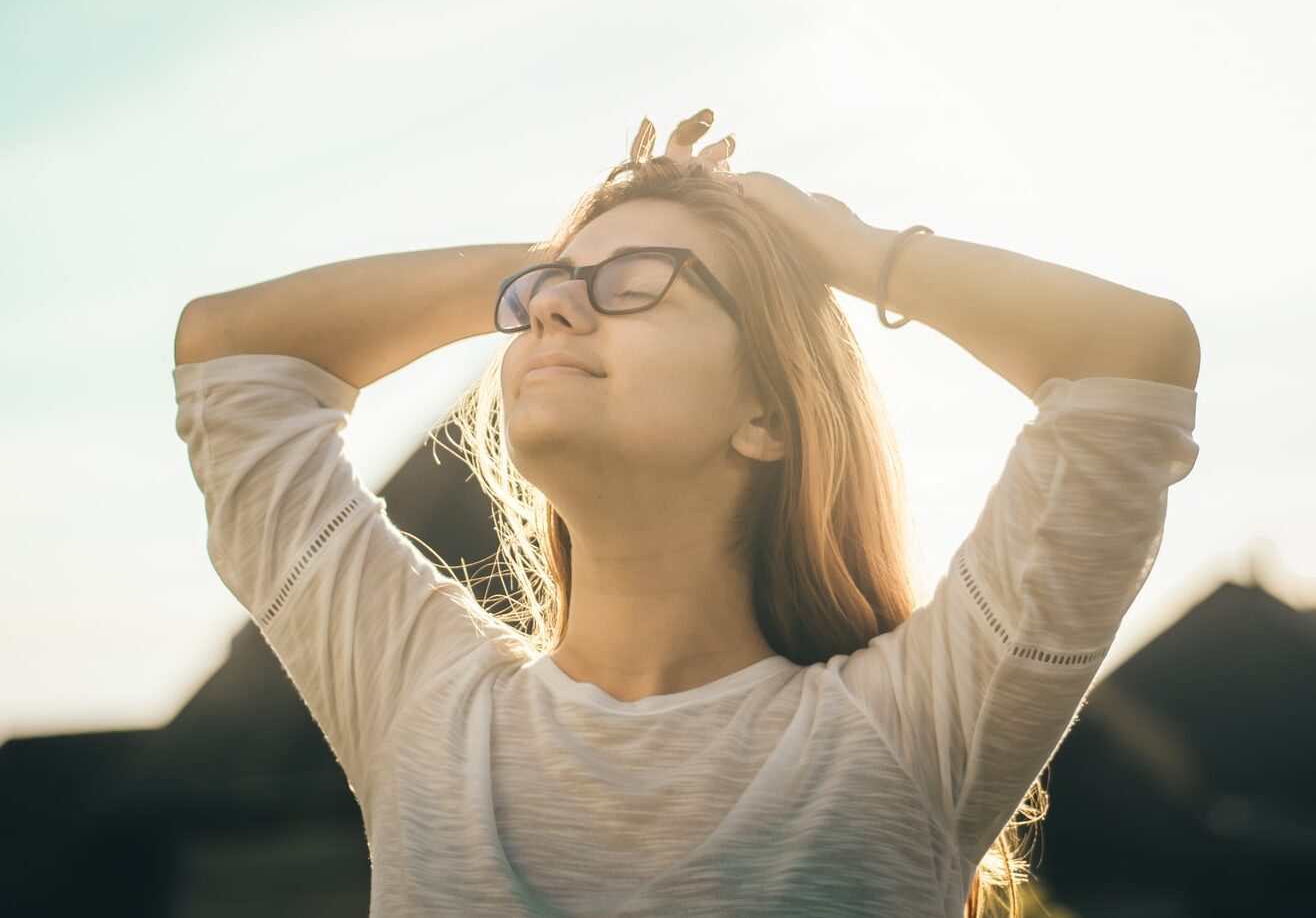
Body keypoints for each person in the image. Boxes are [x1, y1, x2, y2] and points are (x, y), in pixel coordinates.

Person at [173, 109, 1200, 917]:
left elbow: (1128, 360)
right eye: (540, 297)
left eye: (637, 286)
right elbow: (229, 355)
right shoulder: (424, 708)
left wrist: (839, 247)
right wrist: (555, 259)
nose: (552, 309)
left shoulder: (909, 729)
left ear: (766, 413)